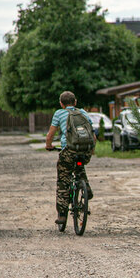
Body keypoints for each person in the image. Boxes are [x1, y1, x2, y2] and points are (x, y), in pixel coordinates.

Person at [45, 91, 95, 225]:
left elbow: (50, 135)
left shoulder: (59, 113)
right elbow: (93, 134)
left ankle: (62, 215)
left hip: (69, 151)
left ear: (61, 103)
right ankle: (86, 188)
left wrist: (49, 145)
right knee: (79, 166)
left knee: (63, 179)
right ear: (75, 102)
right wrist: (92, 150)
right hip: (84, 151)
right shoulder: (83, 113)